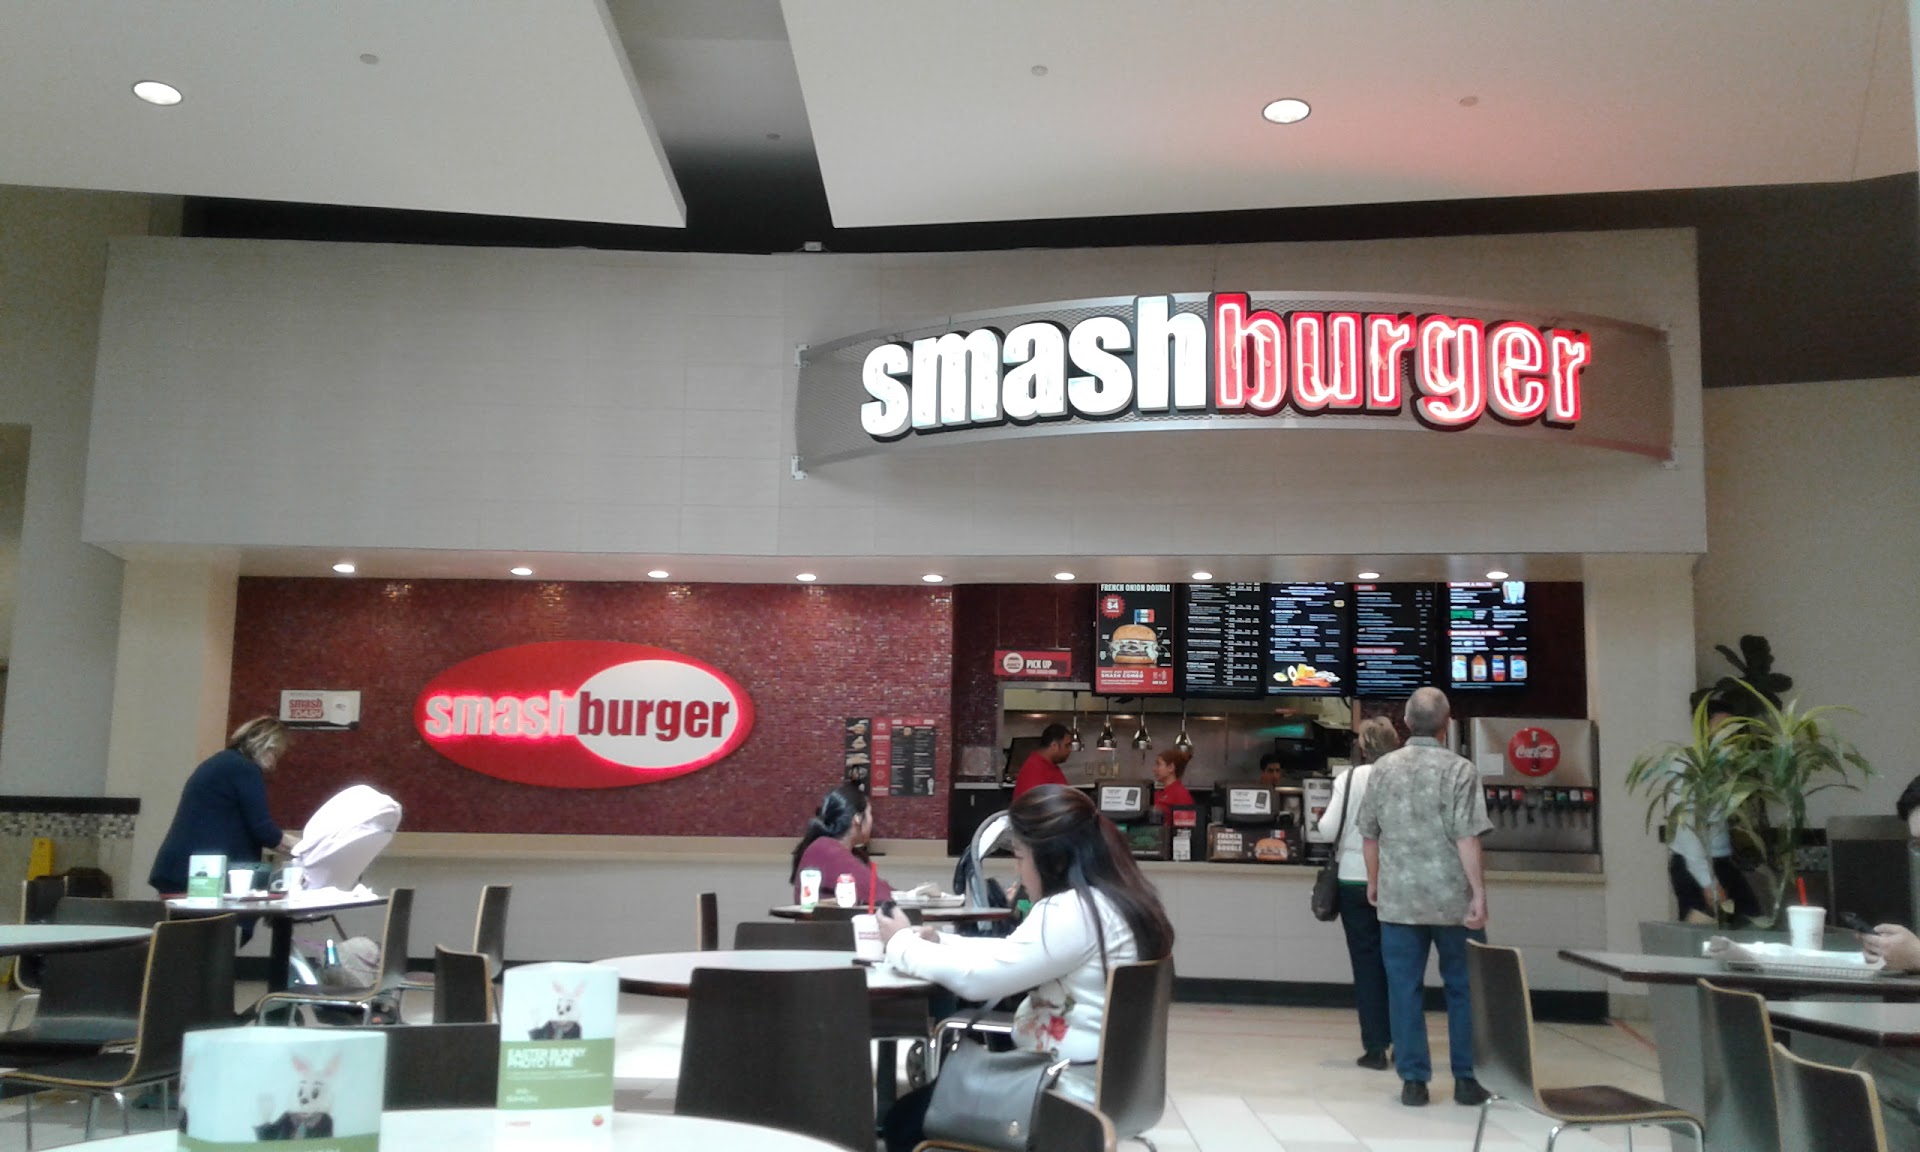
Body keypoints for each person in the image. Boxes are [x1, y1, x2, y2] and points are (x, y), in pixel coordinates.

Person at [873, 784, 1174, 1152]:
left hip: (1060, 1090)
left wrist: (900, 943)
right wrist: (941, 942)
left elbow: (976, 980)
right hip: (1117, 1089)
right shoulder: (1117, 903)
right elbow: (1017, 953)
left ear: (1053, 860)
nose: (1018, 870)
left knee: (904, 1121)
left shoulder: (1070, 911)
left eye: (1020, 856)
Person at [1357, 687, 1493, 1108]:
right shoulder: (1461, 770)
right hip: (1453, 901)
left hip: (1399, 899)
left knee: (1403, 990)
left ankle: (1414, 1082)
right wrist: (1478, 893)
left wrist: (1374, 881)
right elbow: (1467, 837)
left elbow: (1369, 835)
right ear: (1446, 724)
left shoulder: (1382, 769)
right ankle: (1467, 1080)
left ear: (1406, 723)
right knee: (1464, 989)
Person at [1315, 716, 1400, 1071]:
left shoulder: (1349, 779)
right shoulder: (1402, 775)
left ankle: (1376, 1048)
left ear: (1362, 748)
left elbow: (1327, 829)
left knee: (1367, 965)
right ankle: (1404, 1043)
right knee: (1400, 962)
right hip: (1397, 878)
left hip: (1353, 878)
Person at [149, 716, 299, 894]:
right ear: (265, 745)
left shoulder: (222, 763)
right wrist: (305, 848)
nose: (273, 763)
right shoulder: (244, 769)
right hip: (201, 874)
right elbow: (263, 830)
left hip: (181, 867)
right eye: (275, 754)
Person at [1666, 700, 1762, 924]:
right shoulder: (1689, 766)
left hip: (1721, 861)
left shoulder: (1723, 765)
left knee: (1750, 923)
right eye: (1721, 727)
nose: (1727, 734)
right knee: (1704, 936)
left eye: (1732, 728)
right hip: (1697, 865)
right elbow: (1688, 825)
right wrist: (1708, 882)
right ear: (1703, 728)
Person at [789, 784, 893, 906]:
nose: (872, 821)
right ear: (857, 819)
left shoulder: (850, 853)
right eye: (870, 813)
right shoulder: (825, 850)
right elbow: (879, 894)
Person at [1012, 723, 1072, 798]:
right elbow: (1034, 803)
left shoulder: (1049, 765)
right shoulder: (1035, 769)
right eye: (1067, 745)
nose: (1070, 750)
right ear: (1054, 746)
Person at [1151, 747, 1194, 818]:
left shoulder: (1181, 795)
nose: (1154, 769)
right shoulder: (1159, 793)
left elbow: (1185, 823)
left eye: (1158, 764)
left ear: (1171, 768)